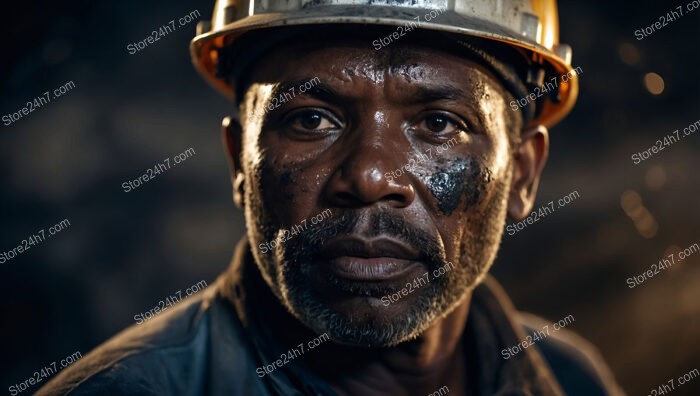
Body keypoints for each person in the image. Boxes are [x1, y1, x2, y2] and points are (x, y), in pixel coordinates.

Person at [39, 1, 623, 395]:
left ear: (522, 176)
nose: (368, 176)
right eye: (311, 120)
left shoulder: (570, 378)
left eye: (440, 125)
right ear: (239, 161)